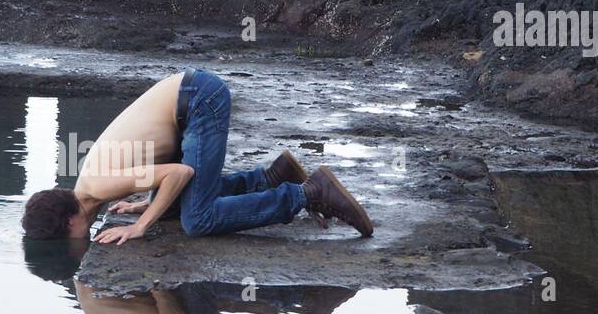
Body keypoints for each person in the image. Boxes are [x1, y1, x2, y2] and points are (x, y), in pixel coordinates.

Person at [21, 68, 374, 244]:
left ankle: (311, 192)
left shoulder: (99, 184)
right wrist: (146, 204)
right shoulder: (94, 187)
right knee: (172, 209)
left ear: (70, 223)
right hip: (187, 103)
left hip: (199, 100)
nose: (78, 241)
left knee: (197, 221)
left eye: (69, 239)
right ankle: (272, 177)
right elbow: (156, 166)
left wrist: (141, 227)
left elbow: (178, 174)